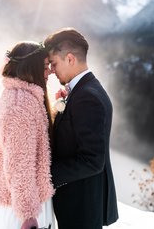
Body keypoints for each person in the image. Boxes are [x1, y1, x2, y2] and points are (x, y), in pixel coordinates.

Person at [44, 28, 119, 229]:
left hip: (82, 207)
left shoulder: (87, 97)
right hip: (80, 202)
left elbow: (93, 160)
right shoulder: (83, 90)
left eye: (54, 63)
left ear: (70, 59)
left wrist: (46, 175)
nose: (51, 70)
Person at [0, 41, 55, 229]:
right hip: (22, 210)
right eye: (45, 66)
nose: (49, 71)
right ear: (30, 67)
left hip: (25, 202)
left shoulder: (22, 97)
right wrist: (28, 214)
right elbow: (19, 163)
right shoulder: (20, 104)